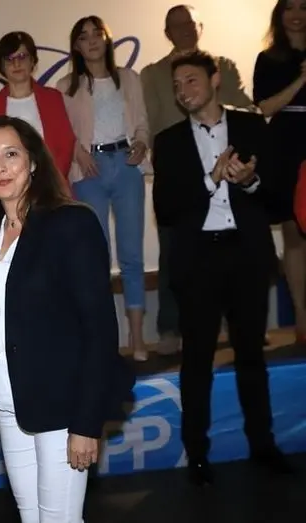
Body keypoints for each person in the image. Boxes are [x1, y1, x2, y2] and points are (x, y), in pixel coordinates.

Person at [0, 115, 133, 522]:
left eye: (11, 154)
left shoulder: (70, 222)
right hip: (10, 405)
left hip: (62, 408)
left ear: (34, 161)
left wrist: (86, 423)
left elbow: (99, 329)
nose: (0, 167)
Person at [152, 51, 293, 486]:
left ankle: (263, 445)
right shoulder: (169, 141)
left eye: (191, 81)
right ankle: (196, 454)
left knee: (252, 357)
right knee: (196, 361)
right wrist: (210, 180)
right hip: (198, 261)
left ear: (215, 79)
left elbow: (278, 200)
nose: (183, 91)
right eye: (177, 85)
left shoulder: (252, 127)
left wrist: (249, 181)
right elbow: (166, 210)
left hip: (246, 255)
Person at [140, 5, 255, 355]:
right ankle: (170, 328)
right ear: (167, 33)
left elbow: (243, 107)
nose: (185, 30)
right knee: (174, 253)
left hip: (228, 166)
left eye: (189, 23)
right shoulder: (152, 74)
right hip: (179, 172)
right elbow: (151, 121)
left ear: (199, 27)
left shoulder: (222, 66)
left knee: (233, 253)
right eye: (176, 26)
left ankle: (232, 324)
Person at [56, 15, 151, 361]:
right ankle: (105, 341)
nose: (92, 41)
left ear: (108, 40)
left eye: (98, 34)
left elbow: (142, 123)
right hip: (89, 169)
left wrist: (141, 143)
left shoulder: (129, 78)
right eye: (84, 37)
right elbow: (63, 130)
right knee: (96, 257)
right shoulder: (66, 86)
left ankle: (137, 339)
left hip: (126, 164)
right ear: (76, 46)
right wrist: (78, 152)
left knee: (132, 256)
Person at [253, 0, 306, 343]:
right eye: (290, 8)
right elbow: (266, 106)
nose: (297, 15)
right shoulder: (269, 58)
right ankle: (302, 316)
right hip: (287, 147)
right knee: (294, 234)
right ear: (279, 14)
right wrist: (302, 79)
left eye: (303, 7)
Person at [0, 31, 75, 183]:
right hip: (6, 185)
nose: (16, 64)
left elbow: (66, 143)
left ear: (32, 61)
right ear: (1, 66)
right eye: (9, 59)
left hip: (49, 185)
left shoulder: (53, 98)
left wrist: (52, 181)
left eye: (22, 56)